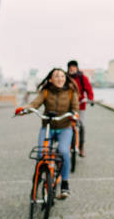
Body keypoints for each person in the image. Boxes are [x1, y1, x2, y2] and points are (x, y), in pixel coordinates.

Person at [16, 68, 79, 199]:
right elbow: (34, 104)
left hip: (65, 127)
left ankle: (65, 183)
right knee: (41, 153)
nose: (60, 78)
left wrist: (75, 114)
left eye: (62, 76)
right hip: (48, 127)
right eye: (56, 76)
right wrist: (23, 110)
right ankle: (37, 180)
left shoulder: (71, 93)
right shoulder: (45, 92)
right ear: (50, 79)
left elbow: (75, 108)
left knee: (64, 151)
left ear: (65, 78)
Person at [67, 60, 94, 157]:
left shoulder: (82, 78)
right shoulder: (66, 78)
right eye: (70, 67)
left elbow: (89, 89)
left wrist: (90, 99)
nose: (72, 68)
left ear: (77, 68)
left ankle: (81, 146)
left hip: (81, 105)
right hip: (68, 105)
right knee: (65, 124)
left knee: (81, 125)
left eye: (74, 67)